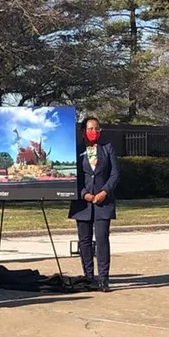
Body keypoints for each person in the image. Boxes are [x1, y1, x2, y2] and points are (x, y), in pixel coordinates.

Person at [68, 116, 119, 292]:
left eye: (97, 128)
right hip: (83, 203)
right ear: (84, 131)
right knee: (85, 241)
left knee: (102, 239)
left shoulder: (107, 148)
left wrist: (104, 192)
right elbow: (73, 176)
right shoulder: (76, 151)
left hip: (103, 202)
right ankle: (88, 277)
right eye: (90, 129)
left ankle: (103, 278)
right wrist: (85, 194)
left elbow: (115, 174)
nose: (94, 132)